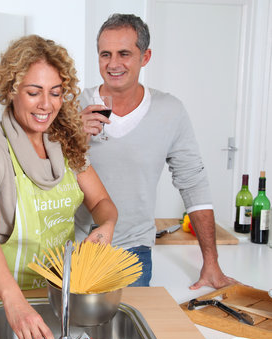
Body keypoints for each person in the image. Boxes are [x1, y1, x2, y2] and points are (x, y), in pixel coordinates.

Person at [0, 35, 118, 339]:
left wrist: (104, 228)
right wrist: (13, 299)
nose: (46, 104)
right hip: (3, 300)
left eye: (56, 92)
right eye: (34, 92)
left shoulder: (67, 144)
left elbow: (104, 205)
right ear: (11, 90)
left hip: (58, 298)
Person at [75, 13, 237, 289]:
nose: (113, 64)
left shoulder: (170, 111)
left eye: (124, 53)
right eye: (105, 54)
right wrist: (74, 136)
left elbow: (193, 184)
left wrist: (211, 262)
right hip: (76, 247)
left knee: (130, 329)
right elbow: (41, 172)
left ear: (145, 57)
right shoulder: (72, 105)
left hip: (133, 252)